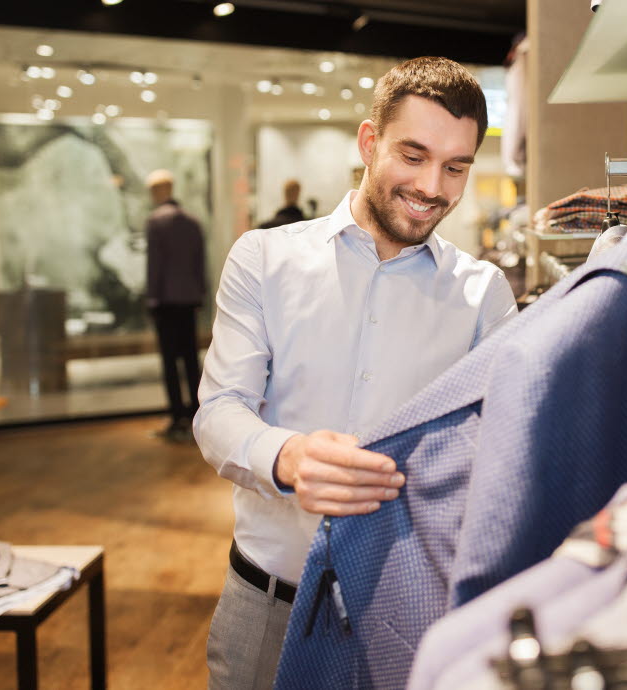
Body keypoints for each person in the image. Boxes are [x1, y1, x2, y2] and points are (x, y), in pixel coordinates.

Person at [195, 56, 518, 690]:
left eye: (456, 167)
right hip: (268, 606)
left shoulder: (485, 295)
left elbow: (503, 444)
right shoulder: (263, 259)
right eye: (413, 155)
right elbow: (219, 411)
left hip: (411, 610)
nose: (432, 186)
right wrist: (289, 456)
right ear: (370, 143)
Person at [144, 169, 206, 442]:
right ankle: (196, 413)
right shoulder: (192, 222)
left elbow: (154, 266)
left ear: (158, 191)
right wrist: (199, 294)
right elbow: (199, 264)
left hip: (166, 301)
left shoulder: (156, 222)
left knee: (170, 362)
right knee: (191, 360)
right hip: (189, 299)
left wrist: (152, 298)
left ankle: (177, 417)